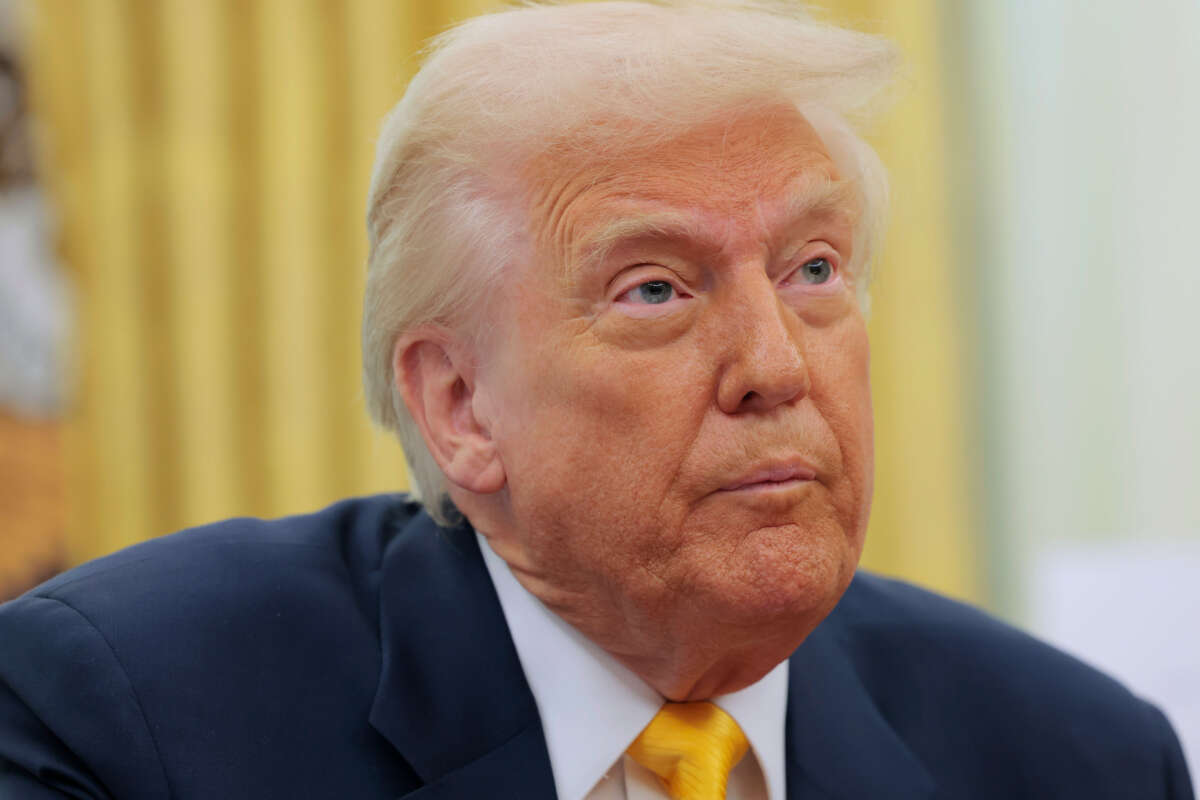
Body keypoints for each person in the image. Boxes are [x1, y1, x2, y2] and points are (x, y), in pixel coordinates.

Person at [0, 2, 1193, 798]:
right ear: (460, 402)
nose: (775, 364)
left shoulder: (1077, 758)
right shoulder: (129, 720)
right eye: (657, 287)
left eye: (813, 269)